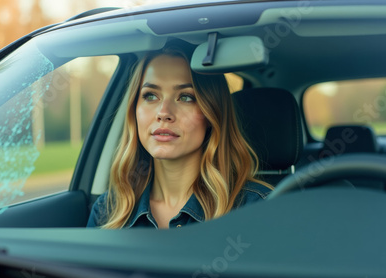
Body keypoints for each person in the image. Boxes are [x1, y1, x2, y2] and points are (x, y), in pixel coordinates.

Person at [87, 42, 272, 229]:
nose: (163, 112)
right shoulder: (108, 210)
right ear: (134, 110)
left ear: (212, 114)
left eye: (185, 97)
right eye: (150, 95)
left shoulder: (258, 209)